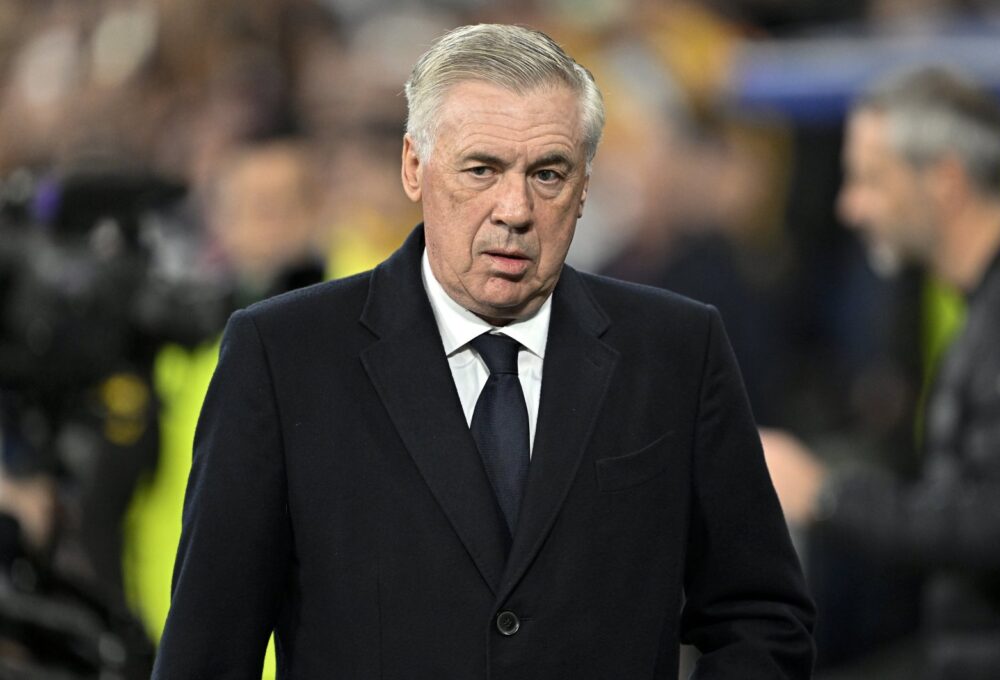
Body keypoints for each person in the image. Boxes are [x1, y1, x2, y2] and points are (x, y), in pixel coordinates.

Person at [153, 24, 814, 679]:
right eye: (482, 169)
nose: (515, 209)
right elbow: (208, 651)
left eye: (548, 174)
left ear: (586, 186)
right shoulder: (284, 355)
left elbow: (759, 617)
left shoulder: (675, 349)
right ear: (415, 167)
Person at [763, 66, 1000, 679]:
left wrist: (828, 494)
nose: (848, 207)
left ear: (946, 181)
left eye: (870, 180)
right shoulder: (987, 306)